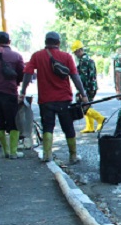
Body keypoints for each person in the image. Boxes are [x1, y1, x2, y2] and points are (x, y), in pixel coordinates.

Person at [18, 32, 89, 164]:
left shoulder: (37, 56)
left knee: (48, 127)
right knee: (68, 127)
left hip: (46, 100)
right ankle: (73, 156)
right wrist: (83, 94)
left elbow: (27, 73)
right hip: (64, 99)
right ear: (58, 43)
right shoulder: (66, 56)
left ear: (46, 42)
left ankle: (47, 155)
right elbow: (75, 77)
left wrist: (22, 92)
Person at [71, 40, 106, 133]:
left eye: (75, 52)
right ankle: (90, 127)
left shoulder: (83, 61)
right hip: (92, 86)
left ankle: (100, 119)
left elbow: (83, 78)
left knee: (82, 106)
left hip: (87, 88)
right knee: (87, 105)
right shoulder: (89, 59)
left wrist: (81, 92)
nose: (75, 54)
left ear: (79, 50)